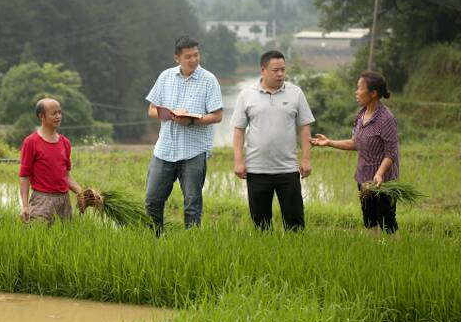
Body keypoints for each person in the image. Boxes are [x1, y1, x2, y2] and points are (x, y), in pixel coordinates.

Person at [145, 35, 223, 232]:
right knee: (152, 200)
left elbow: (217, 116)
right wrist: (171, 116)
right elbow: (152, 110)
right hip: (164, 150)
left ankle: (191, 244)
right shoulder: (165, 77)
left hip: (194, 152)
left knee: (192, 205)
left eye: (196, 55)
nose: (194, 60)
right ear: (177, 58)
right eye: (188, 56)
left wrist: (191, 120)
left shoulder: (209, 80)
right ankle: (155, 241)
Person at [232, 50, 315, 232]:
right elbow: (238, 131)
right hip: (256, 170)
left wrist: (306, 159)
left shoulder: (296, 93)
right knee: (261, 226)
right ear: (263, 70)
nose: (280, 74)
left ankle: (295, 257)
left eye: (283, 70)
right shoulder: (246, 95)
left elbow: (304, 128)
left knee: (295, 225)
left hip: (288, 169)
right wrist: (238, 161)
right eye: (275, 70)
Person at [311, 71, 399, 234]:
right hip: (364, 179)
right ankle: (373, 252)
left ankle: (393, 254)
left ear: (373, 93)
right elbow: (356, 143)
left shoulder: (386, 119)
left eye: (360, 88)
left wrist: (379, 174)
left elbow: (391, 153)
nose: (356, 92)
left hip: (384, 181)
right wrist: (329, 142)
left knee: (387, 222)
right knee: (369, 220)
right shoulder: (361, 114)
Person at [19, 98, 82, 224]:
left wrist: (82, 192)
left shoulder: (65, 143)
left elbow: (66, 175)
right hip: (42, 200)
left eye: (59, 112)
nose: (58, 116)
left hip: (64, 201)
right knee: (38, 240)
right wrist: (25, 206)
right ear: (41, 116)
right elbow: (24, 176)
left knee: (64, 239)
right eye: (54, 113)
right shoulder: (31, 142)